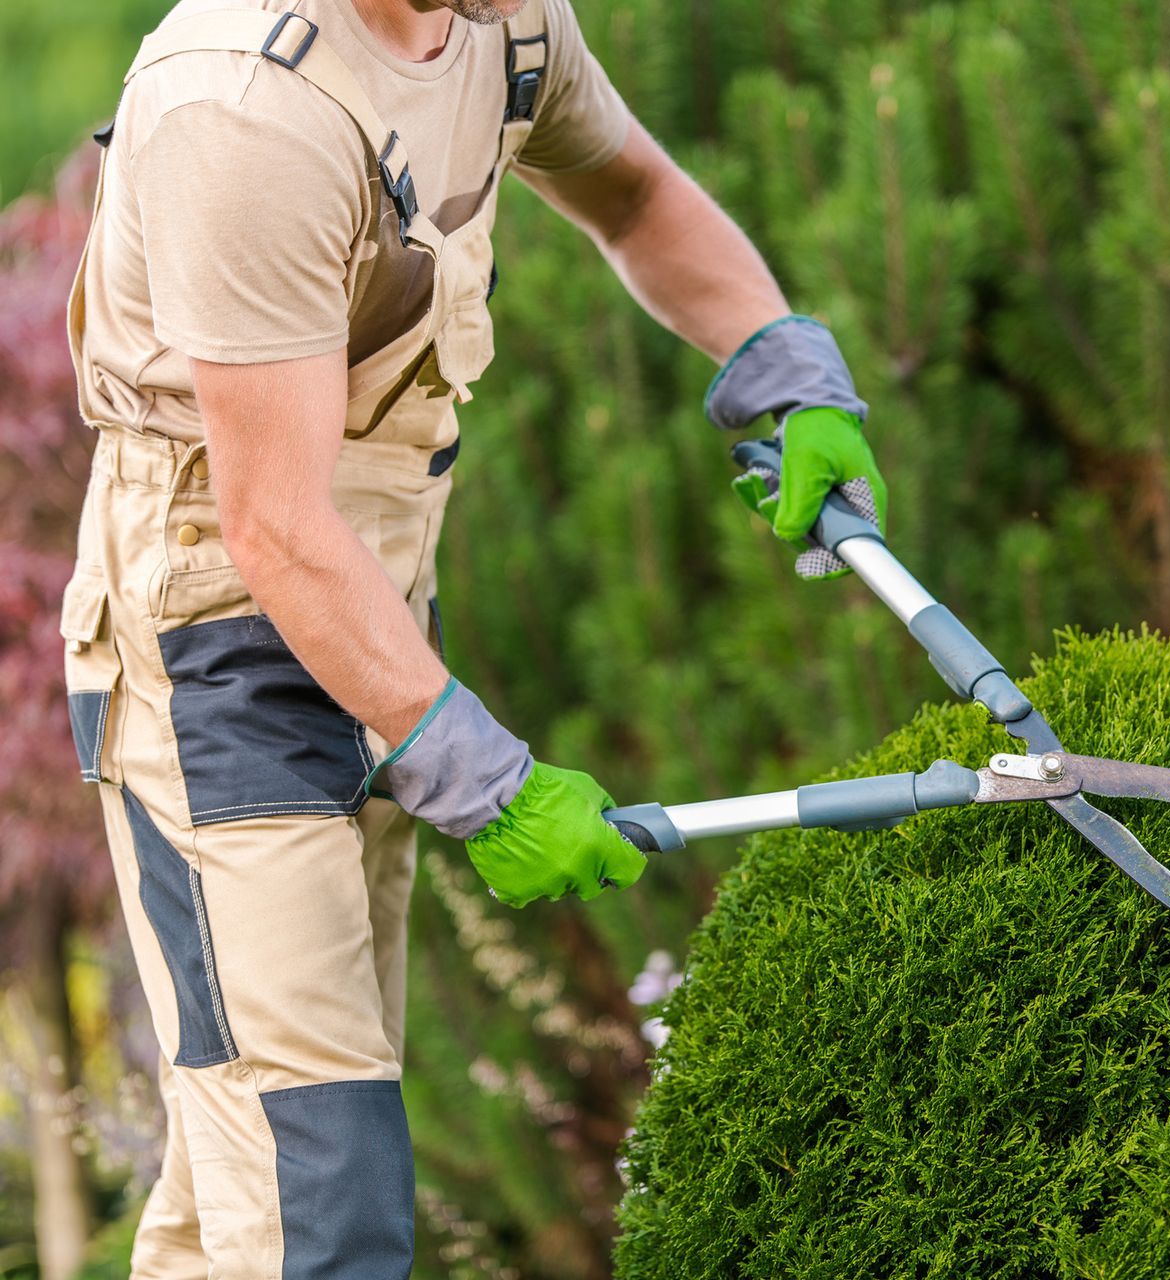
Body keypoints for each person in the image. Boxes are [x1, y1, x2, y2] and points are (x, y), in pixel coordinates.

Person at [60, 0, 887, 1273]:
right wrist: (480, 773)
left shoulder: (500, 24)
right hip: (215, 654)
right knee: (316, 1196)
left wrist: (776, 355)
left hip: (376, 622)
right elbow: (271, 525)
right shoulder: (244, 107)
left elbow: (633, 193)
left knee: (252, 1156)